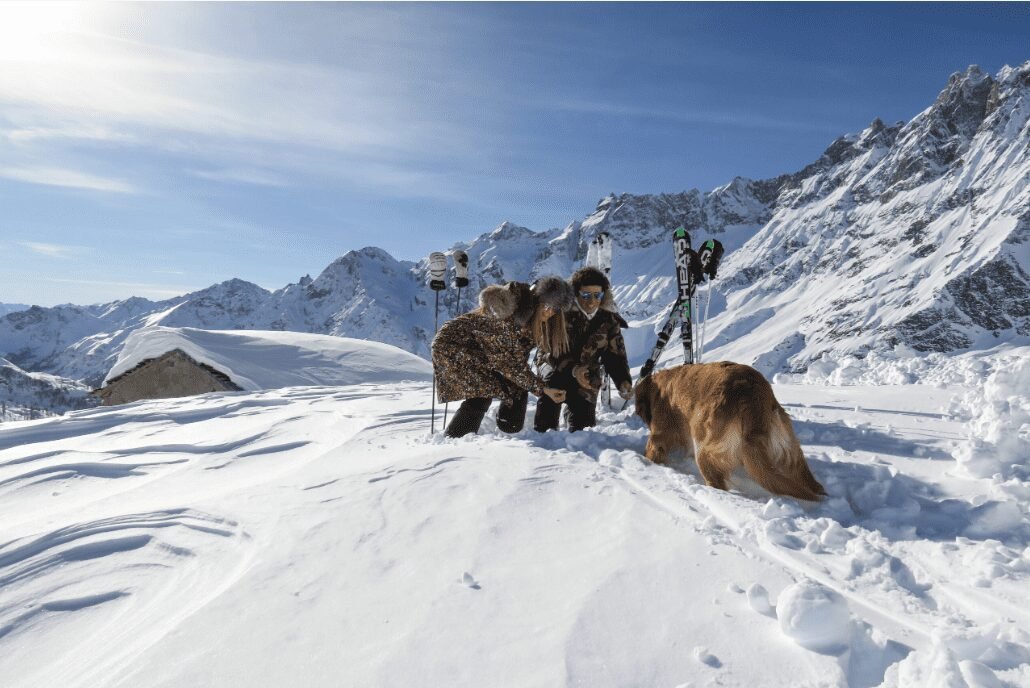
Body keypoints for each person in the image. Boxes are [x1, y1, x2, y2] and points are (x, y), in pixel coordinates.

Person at [433, 276, 575, 438]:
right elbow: (507, 363)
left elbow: (516, 362)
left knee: (516, 385)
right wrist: (542, 389)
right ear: (537, 301)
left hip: (480, 349)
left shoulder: (529, 322)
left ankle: (506, 425)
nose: (550, 312)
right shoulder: (508, 313)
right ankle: (454, 440)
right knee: (481, 394)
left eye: (556, 309)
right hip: (456, 344)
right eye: (548, 306)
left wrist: (533, 387)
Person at [534, 266, 632, 433]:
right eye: (585, 295)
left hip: (586, 377)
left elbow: (615, 355)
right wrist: (574, 370)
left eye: (597, 295)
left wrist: (623, 380)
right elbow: (549, 352)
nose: (591, 301)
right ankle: (543, 439)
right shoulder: (559, 314)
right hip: (554, 367)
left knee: (583, 432)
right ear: (575, 293)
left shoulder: (608, 320)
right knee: (546, 420)